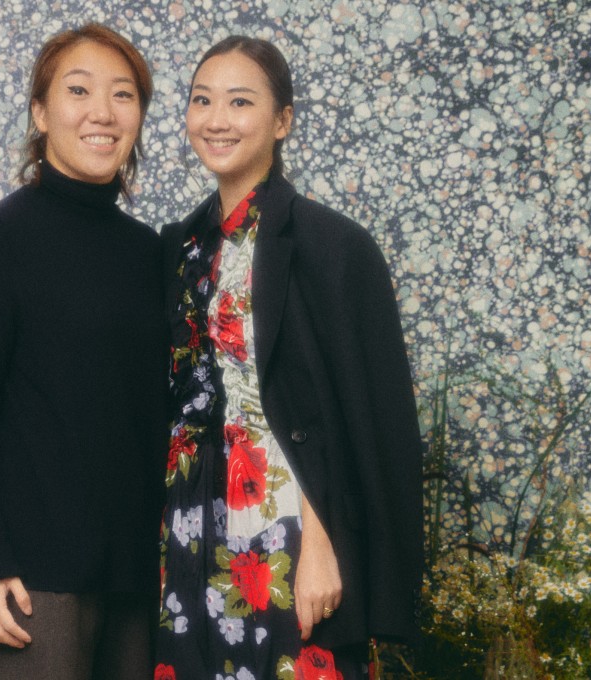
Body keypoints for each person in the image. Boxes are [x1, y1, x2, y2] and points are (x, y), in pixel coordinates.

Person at [154, 36, 423, 680]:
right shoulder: (179, 248)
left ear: (282, 121)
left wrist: (325, 545)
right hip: (186, 521)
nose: (216, 119)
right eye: (202, 100)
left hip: (285, 519)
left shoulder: (331, 247)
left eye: (240, 102)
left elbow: (362, 413)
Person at [0, 23, 168, 680]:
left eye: (122, 95)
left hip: (132, 580)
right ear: (41, 113)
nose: (102, 112)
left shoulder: (150, 253)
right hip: (27, 586)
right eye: (79, 90)